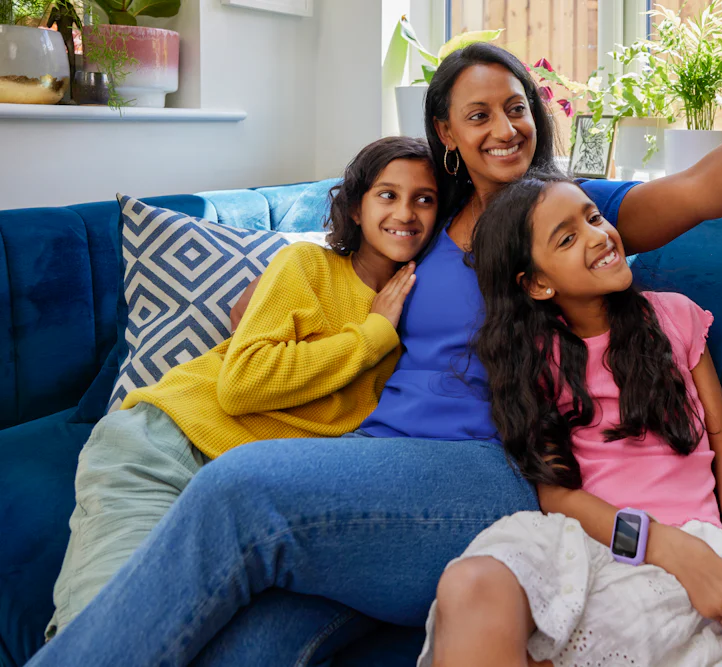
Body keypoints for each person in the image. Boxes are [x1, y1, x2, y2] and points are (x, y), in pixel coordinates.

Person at [27, 43, 722, 666]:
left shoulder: (570, 212)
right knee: (243, 646)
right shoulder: (424, 223)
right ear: (446, 132)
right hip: (369, 472)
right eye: (479, 114)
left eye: (516, 106)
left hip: (483, 472)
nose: (506, 127)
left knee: (241, 492)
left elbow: (694, 190)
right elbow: (327, 258)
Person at [42, 135, 439, 639]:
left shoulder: (421, 310)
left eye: (423, 198)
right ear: (356, 208)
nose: (405, 212)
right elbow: (242, 382)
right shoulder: (308, 266)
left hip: (242, 497)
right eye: (387, 194)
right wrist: (370, 336)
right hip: (165, 446)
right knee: (103, 632)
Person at [421, 173, 722, 667]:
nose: (599, 235)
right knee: (471, 582)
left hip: (689, 544)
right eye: (567, 236)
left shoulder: (675, 319)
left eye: (594, 216)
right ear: (536, 282)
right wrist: (659, 544)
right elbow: (555, 493)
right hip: (587, 537)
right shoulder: (536, 359)